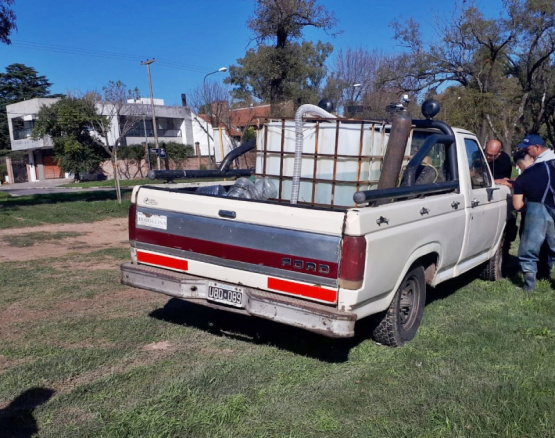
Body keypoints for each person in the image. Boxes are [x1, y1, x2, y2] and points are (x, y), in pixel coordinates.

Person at [512, 134, 555, 292]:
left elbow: (517, 205)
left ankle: (529, 287)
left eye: (527, 148)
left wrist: (526, 207)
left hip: (535, 210)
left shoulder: (524, 178)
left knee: (528, 250)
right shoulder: (552, 165)